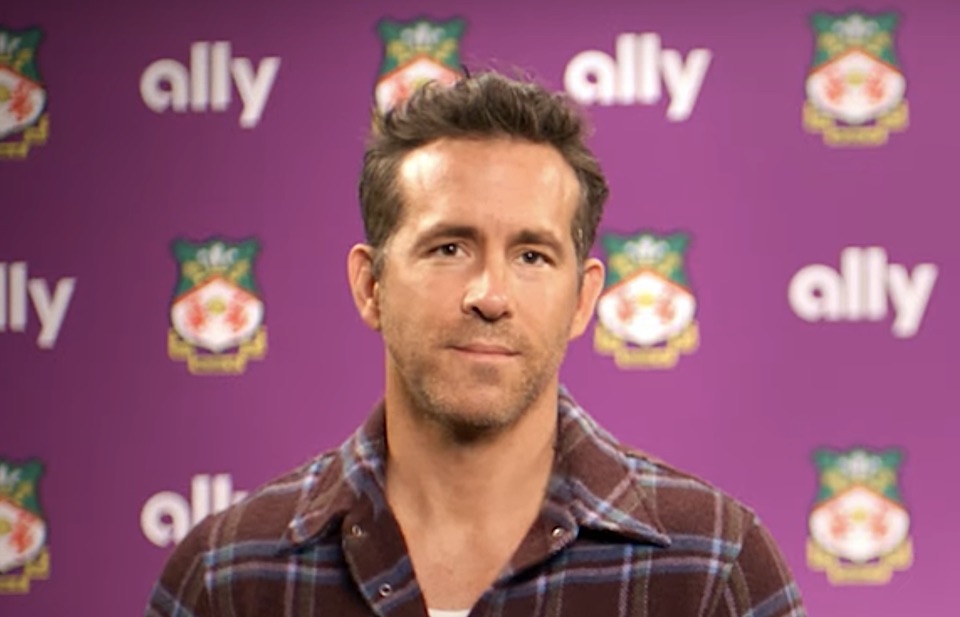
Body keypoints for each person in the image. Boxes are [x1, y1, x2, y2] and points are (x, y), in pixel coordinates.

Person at [145, 71, 806, 617]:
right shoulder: (229, 576)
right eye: (449, 248)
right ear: (371, 286)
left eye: (532, 255)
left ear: (583, 299)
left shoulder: (712, 568)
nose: (490, 294)